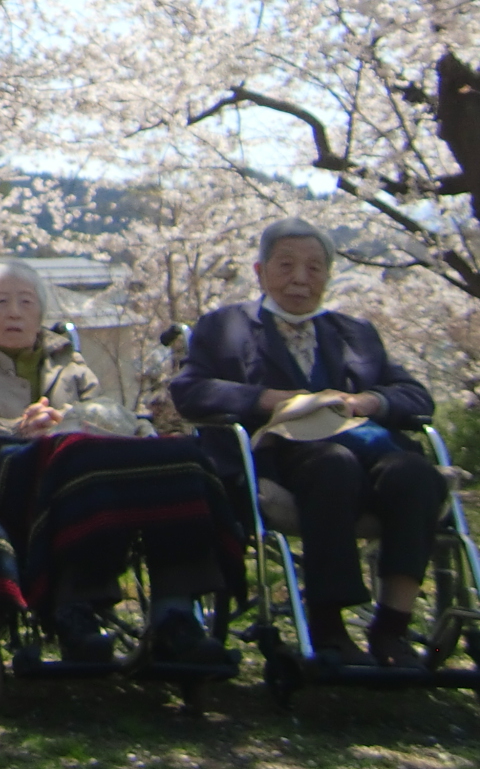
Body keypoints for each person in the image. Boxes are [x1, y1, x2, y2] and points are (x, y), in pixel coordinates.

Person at [171, 216, 444, 667]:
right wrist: (267, 399)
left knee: (414, 473)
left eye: (315, 268)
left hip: (364, 446)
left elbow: (415, 397)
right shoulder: (227, 327)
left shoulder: (354, 333)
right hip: (279, 455)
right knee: (333, 464)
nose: (301, 279)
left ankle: (392, 627)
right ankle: (328, 625)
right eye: (286, 265)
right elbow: (190, 391)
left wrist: (363, 402)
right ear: (260, 272)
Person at [0, 259, 233, 665]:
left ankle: (175, 613)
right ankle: (74, 610)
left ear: (42, 312)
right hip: (7, 473)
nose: (14, 312)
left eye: (26, 301)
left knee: (178, 455)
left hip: (85, 469)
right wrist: (17, 429)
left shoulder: (69, 363)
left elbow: (102, 416)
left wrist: (79, 424)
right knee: (77, 457)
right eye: (1, 301)